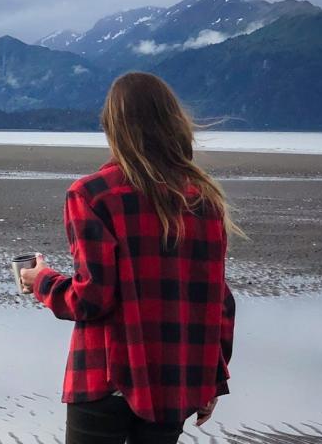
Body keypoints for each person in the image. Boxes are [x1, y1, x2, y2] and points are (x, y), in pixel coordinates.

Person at [19, 72, 242, 444]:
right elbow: (217, 301)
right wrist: (212, 380)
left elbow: (92, 297)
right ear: (174, 124)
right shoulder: (205, 200)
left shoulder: (92, 195)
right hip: (175, 381)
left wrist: (41, 280)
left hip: (105, 378)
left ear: (113, 127)